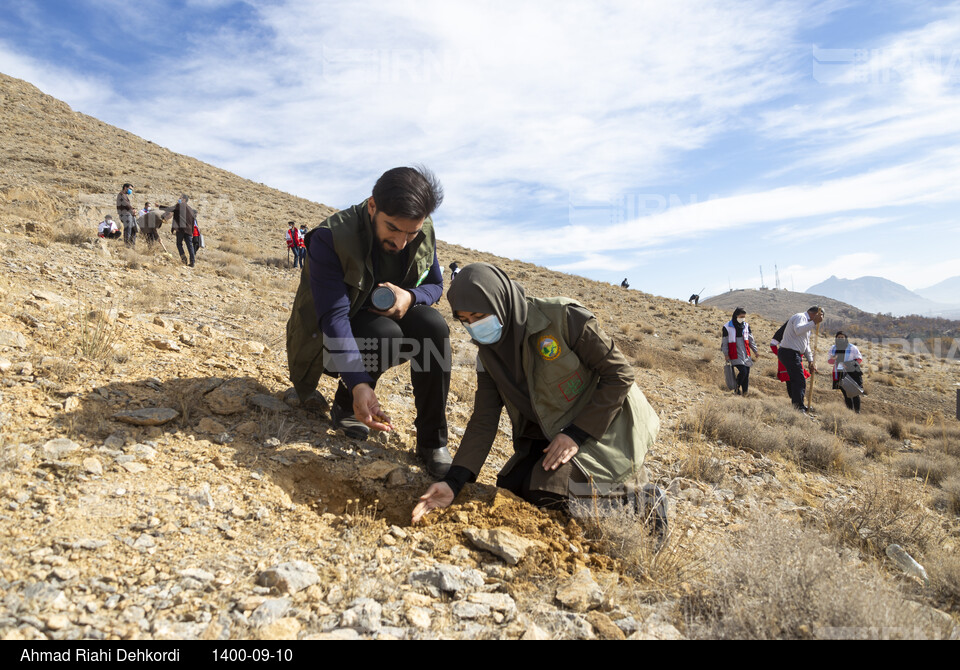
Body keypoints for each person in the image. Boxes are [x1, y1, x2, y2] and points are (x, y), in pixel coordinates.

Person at [412, 263, 663, 529]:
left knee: (547, 493)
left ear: (501, 301)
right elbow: (484, 420)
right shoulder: (487, 356)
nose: (474, 327)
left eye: (478, 315)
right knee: (513, 486)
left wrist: (576, 434)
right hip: (551, 430)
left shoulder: (562, 317)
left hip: (606, 424)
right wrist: (454, 481)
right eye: (465, 320)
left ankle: (641, 502)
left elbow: (620, 374)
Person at [286, 166, 452, 477]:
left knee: (434, 327)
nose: (402, 242)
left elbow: (436, 286)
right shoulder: (330, 238)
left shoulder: (422, 230)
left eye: (411, 233)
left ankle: (432, 442)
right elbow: (333, 317)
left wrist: (410, 298)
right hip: (333, 333)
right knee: (385, 334)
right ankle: (347, 405)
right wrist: (360, 384)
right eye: (393, 229)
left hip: (391, 315)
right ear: (372, 205)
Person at [776, 306, 824, 412]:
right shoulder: (801, 317)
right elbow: (798, 330)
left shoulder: (807, 325)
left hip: (793, 353)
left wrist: (811, 360)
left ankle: (798, 405)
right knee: (799, 380)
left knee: (797, 379)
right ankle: (798, 407)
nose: (819, 321)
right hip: (789, 352)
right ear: (815, 314)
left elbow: (805, 345)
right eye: (820, 317)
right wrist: (813, 322)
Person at [721, 307, 757, 396]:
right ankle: (736, 387)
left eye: (744, 317)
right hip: (734, 352)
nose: (743, 318)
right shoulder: (727, 326)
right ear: (736, 315)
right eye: (741, 316)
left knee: (747, 374)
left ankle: (745, 393)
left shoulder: (746, 326)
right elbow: (724, 342)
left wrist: (755, 351)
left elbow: (751, 339)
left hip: (745, 352)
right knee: (743, 371)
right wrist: (726, 354)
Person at [770, 319, 810, 397]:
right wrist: (781, 355)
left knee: (800, 380)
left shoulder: (799, 332)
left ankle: (799, 402)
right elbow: (773, 344)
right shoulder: (782, 332)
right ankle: (795, 402)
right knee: (790, 381)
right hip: (785, 361)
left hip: (797, 359)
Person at [829, 331, 864, 413]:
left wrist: (848, 365)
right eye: (838, 337)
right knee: (845, 393)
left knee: (855, 393)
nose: (840, 339)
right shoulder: (833, 348)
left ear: (845, 338)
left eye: (842, 337)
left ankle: (857, 412)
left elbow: (859, 359)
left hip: (852, 373)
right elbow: (830, 361)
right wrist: (833, 358)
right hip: (839, 372)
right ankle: (850, 412)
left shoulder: (852, 347)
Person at [161, 195, 198, 267]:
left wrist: (160, 206)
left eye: (180, 198)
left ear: (184, 200)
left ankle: (184, 260)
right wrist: (192, 232)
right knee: (190, 246)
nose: (179, 199)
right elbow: (193, 221)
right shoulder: (190, 209)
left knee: (179, 244)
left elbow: (170, 209)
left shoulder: (179, 206)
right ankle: (192, 262)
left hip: (181, 229)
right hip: (189, 231)